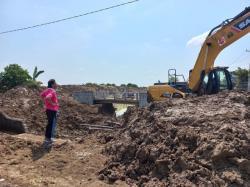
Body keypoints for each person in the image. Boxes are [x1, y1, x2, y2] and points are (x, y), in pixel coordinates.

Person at [40, 79, 59, 146]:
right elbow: (48, 98)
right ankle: (48, 139)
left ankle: (47, 138)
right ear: (52, 84)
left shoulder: (47, 90)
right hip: (52, 110)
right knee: (51, 124)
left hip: (48, 109)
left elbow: (42, 95)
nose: (57, 84)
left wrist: (45, 104)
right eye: (55, 83)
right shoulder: (52, 90)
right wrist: (53, 104)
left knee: (49, 124)